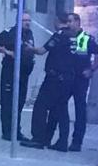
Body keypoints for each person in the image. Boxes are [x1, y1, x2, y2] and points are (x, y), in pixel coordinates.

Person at [21, 14, 75, 151]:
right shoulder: (74, 36)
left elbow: (41, 51)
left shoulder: (59, 35)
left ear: (57, 21)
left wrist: (29, 48)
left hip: (54, 79)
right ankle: (63, 142)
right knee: (62, 110)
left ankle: (38, 139)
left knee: (40, 106)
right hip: (68, 79)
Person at [0, 12, 35, 141]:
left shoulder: (29, 33)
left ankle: (16, 130)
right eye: (25, 20)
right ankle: (7, 132)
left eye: (29, 20)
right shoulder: (10, 32)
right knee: (8, 102)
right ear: (18, 21)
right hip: (10, 73)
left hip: (23, 74)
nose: (27, 23)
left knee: (19, 103)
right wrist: (6, 51)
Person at [65, 13, 98, 151]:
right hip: (65, 78)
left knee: (79, 111)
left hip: (79, 80)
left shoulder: (86, 39)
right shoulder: (66, 36)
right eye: (67, 21)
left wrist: (92, 69)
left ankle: (77, 142)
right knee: (58, 107)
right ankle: (59, 139)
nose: (68, 24)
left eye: (70, 21)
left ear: (78, 22)